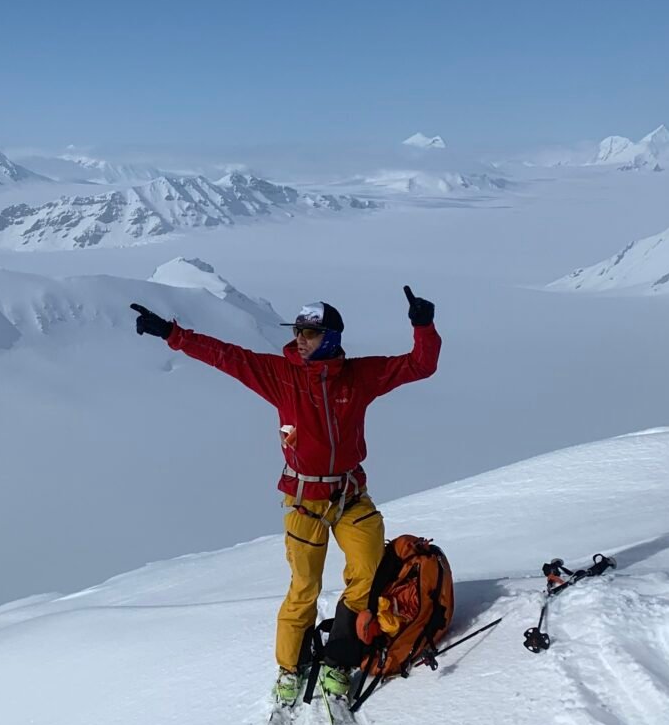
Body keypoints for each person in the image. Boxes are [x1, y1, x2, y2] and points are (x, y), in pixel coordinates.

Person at [130, 285, 440, 702]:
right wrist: (172, 333)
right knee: (304, 588)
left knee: (365, 575)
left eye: (309, 333)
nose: (299, 338)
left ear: (330, 337)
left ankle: (337, 659)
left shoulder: (360, 376)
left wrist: (423, 325)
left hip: (351, 497)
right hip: (306, 502)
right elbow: (227, 357)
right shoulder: (282, 376)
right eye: (297, 330)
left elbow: (421, 365)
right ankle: (290, 670)